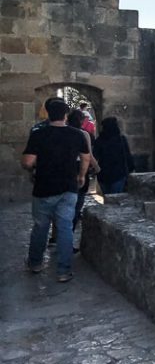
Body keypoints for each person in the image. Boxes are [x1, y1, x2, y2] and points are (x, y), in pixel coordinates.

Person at [21, 97, 90, 282]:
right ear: (65, 115)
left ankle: (35, 263)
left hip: (44, 187)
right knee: (66, 228)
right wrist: (81, 175)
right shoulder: (77, 135)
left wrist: (32, 167)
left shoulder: (38, 134)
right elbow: (86, 157)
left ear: (48, 115)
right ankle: (64, 270)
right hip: (68, 187)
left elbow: (28, 161)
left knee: (40, 227)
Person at [67, 109, 100, 234]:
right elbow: (88, 155)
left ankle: (56, 235)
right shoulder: (83, 134)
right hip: (80, 167)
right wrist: (97, 168)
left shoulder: (65, 132)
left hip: (66, 168)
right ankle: (69, 232)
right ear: (81, 120)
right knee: (77, 203)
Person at [93, 117, 135, 194]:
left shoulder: (99, 141)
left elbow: (94, 156)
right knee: (116, 199)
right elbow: (127, 155)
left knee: (107, 197)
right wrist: (131, 169)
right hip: (118, 174)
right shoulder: (121, 139)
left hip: (103, 174)